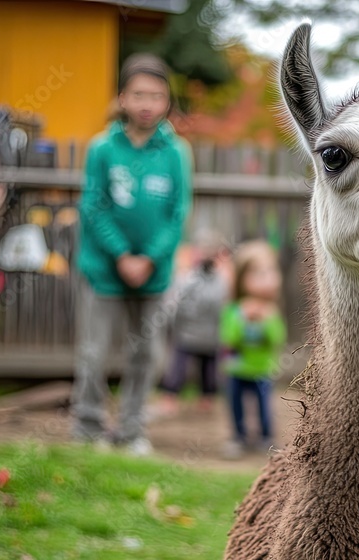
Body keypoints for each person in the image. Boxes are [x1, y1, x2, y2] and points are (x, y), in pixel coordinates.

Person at [71, 53, 192, 456]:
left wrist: (148, 259)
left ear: (166, 102)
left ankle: (131, 430)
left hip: (153, 276)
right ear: (122, 98)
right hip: (104, 271)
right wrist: (122, 255)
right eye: (139, 94)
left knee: (147, 355)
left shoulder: (176, 152)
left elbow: (177, 214)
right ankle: (87, 427)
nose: (147, 103)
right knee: (93, 353)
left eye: (156, 96)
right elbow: (93, 206)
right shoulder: (103, 148)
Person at [219, 241, 287, 459]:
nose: (266, 277)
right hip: (236, 369)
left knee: (264, 406)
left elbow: (277, 339)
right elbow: (228, 340)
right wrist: (242, 321)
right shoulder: (234, 310)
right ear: (241, 279)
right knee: (236, 405)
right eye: (258, 273)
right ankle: (239, 437)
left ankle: (266, 437)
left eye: (269, 271)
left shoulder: (271, 311)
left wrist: (266, 322)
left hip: (262, 369)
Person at [157, 230, 229, 417]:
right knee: (179, 368)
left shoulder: (222, 281)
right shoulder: (187, 278)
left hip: (209, 336)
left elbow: (223, 308)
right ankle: (170, 399)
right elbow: (175, 304)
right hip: (188, 333)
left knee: (208, 370)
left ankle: (206, 400)